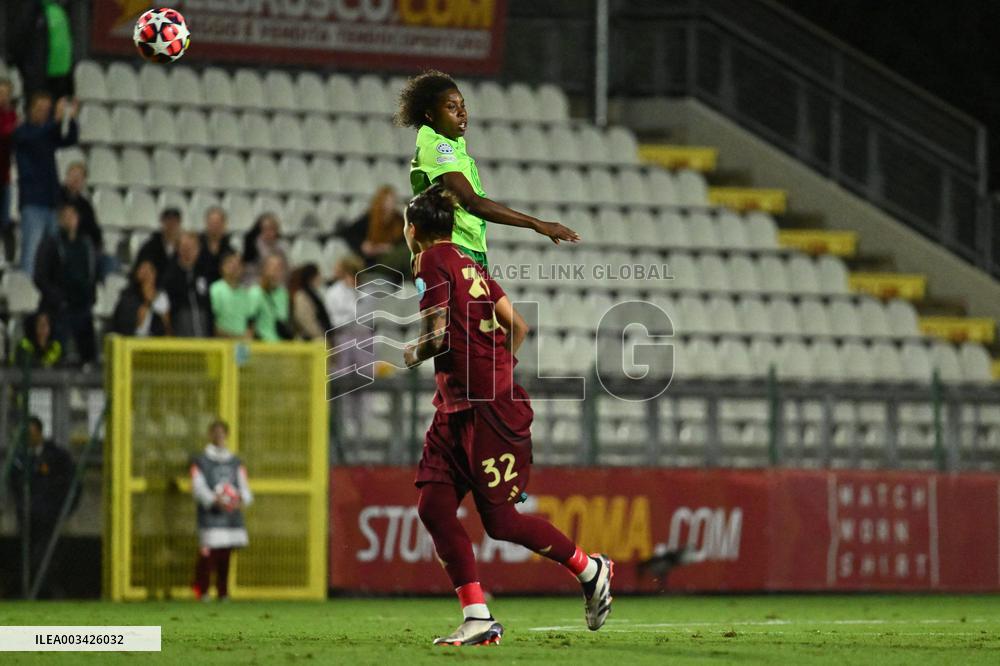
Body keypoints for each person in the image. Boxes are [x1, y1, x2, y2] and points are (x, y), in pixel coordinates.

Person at [401, 185, 612, 645]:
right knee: (434, 506)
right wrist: (498, 370)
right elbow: (519, 325)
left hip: (486, 410)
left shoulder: (429, 261)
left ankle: (590, 568)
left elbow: (435, 337)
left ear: (412, 230)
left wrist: (408, 354)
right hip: (459, 407)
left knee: (500, 522)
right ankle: (477, 616)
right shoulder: (469, 263)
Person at [395, 70, 579, 270]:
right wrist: (537, 224)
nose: (462, 112)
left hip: (466, 247)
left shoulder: (452, 143)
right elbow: (471, 202)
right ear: (430, 115)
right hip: (449, 251)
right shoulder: (436, 146)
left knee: (490, 293)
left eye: (463, 105)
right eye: (451, 107)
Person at [6, 415, 78, 598]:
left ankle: (47, 591)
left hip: (49, 518)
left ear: (39, 433)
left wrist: (65, 509)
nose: (28, 438)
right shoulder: (20, 457)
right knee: (27, 555)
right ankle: (31, 592)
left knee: (46, 554)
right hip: (27, 517)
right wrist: (21, 505)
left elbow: (73, 483)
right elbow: (13, 483)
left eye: (30, 433)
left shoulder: (57, 456)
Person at [13, 91, 79, 274]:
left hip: (51, 202)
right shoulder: (23, 132)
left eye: (47, 110)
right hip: (33, 202)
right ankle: (26, 287)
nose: (43, 113)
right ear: (30, 110)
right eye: (40, 109)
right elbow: (36, 136)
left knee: (51, 254)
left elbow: (69, 139)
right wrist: (56, 121)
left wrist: (71, 119)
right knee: (31, 253)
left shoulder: (47, 133)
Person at [189, 419, 252, 602]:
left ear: (227, 435)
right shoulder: (201, 461)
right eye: (215, 432)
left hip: (231, 517)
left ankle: (223, 592)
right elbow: (198, 486)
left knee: (225, 556)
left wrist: (240, 499)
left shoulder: (235, 461)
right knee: (208, 555)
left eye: (222, 432)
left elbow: (244, 487)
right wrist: (213, 500)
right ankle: (202, 591)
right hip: (210, 516)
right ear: (210, 434)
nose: (219, 436)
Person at [33, 203, 96, 364]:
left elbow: (91, 274)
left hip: (82, 305)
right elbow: (40, 276)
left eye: (72, 216)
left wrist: (90, 297)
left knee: (89, 352)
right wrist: (57, 298)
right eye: (66, 216)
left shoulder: (86, 244)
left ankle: (88, 364)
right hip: (58, 306)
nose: (70, 220)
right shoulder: (51, 243)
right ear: (60, 220)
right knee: (56, 351)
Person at [7, 0, 75, 105]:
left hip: (62, 75)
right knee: (39, 111)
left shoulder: (61, 8)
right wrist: (25, 68)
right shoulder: (29, 8)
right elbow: (17, 39)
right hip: (38, 75)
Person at [336, 185, 408, 274]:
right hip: (372, 261)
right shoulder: (370, 218)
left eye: (392, 200)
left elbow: (402, 241)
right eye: (387, 200)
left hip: (392, 257)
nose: (390, 204)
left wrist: (388, 248)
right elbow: (349, 232)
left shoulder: (399, 219)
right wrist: (362, 245)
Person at [163, 232, 213, 337]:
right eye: (185, 247)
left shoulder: (206, 271)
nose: (188, 251)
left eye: (192, 247)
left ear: (198, 250)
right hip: (180, 332)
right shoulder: (170, 275)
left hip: (205, 333)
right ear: (178, 249)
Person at [110, 260, 168, 337]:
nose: (146, 275)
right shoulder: (127, 298)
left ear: (155, 274)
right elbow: (121, 325)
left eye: (149, 271)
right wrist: (137, 319)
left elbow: (167, 327)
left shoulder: (162, 296)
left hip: (157, 340)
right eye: (143, 270)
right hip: (132, 340)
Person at [58, 161, 103, 260]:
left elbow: (94, 230)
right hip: (62, 243)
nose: (76, 180)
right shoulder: (56, 197)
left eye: (79, 177)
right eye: (73, 175)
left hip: (84, 245)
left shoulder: (85, 205)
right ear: (67, 176)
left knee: (110, 261)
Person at [210, 253, 254, 338]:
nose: (235, 266)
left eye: (238, 264)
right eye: (230, 262)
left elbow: (250, 321)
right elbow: (211, 322)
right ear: (222, 267)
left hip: (242, 343)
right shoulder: (215, 289)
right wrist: (233, 337)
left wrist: (249, 334)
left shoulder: (245, 293)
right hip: (221, 342)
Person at [135, 207, 182, 287]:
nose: (171, 224)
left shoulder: (183, 248)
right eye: (168, 220)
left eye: (175, 221)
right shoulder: (150, 247)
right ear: (162, 222)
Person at [249, 254, 291, 342]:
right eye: (273, 267)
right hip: (263, 345)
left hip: (281, 345)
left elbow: (283, 321)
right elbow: (249, 324)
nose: (276, 271)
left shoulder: (283, 294)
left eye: (280, 268)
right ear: (264, 269)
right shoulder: (255, 293)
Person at [288, 263, 331, 340]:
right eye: (318, 275)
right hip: (313, 339)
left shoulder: (315, 293)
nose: (321, 277)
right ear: (311, 277)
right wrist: (321, 336)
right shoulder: (301, 296)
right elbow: (307, 321)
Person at [241, 212, 286, 284]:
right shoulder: (251, 246)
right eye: (265, 228)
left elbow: (286, 270)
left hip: (277, 283)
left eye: (272, 229)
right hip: (254, 283)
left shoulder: (282, 246)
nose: (269, 232)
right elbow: (248, 272)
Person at [197, 206, 234, 286]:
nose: (215, 226)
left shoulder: (230, 250)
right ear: (206, 223)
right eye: (212, 223)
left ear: (224, 224)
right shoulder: (196, 245)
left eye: (217, 223)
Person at [0, 78, 16, 251]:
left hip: (5, 175)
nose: (3, 96)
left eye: (6, 93)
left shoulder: (12, 115)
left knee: (4, 218)